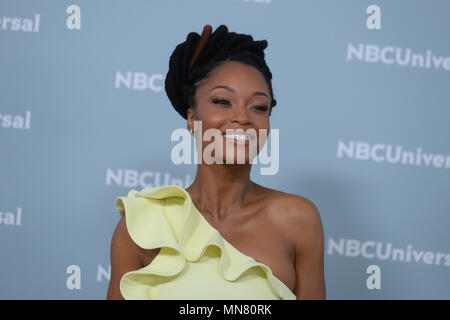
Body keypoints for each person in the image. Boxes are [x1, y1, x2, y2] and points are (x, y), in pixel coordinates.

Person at [107, 24, 325, 300]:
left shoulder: (298, 219)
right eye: (223, 101)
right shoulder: (142, 223)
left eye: (259, 106)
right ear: (191, 118)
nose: (243, 118)